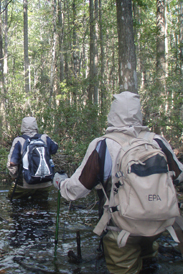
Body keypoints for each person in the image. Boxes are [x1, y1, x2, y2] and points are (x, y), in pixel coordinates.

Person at [53, 91, 183, 274]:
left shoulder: (104, 145)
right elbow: (178, 176)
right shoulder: (157, 142)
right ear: (139, 113)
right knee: (148, 263)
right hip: (158, 224)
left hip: (122, 229)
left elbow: (77, 190)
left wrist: (60, 183)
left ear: (112, 114)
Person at [7, 116, 59, 200]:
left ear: (22, 127)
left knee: (13, 203)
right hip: (45, 183)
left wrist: (14, 176)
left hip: (25, 184)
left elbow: (12, 163)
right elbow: (54, 148)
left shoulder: (19, 140)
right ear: (36, 126)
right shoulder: (45, 138)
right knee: (42, 207)